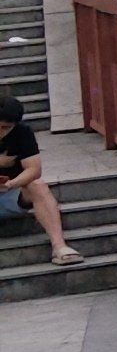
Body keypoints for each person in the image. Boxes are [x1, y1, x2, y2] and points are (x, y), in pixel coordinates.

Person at [0, 91, 82, 266]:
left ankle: (59, 247)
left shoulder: (22, 132)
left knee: (38, 185)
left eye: (5, 128)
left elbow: (34, 169)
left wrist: (11, 184)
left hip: (10, 193)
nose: (0, 132)